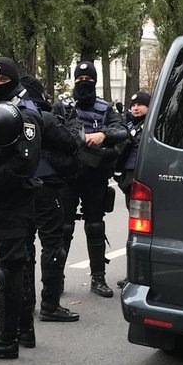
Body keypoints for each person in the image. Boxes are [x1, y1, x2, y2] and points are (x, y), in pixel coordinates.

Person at [0, 58, 44, 360]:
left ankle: (7, 338)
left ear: (13, 79)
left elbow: (23, 164)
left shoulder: (26, 113)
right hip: (1, 201)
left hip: (13, 200)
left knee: (9, 268)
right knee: (19, 264)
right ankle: (24, 330)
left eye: (3, 79)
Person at [53, 61, 127, 298]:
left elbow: (122, 130)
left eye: (88, 79)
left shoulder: (106, 108)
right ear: (74, 80)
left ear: (95, 81)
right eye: (80, 78)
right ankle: (56, 279)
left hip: (95, 177)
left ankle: (98, 278)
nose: (84, 82)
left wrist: (102, 135)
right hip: (67, 176)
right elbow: (50, 133)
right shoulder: (62, 107)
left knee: (95, 226)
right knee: (63, 228)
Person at [19, 76, 84, 327]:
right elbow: (71, 143)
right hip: (46, 186)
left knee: (25, 248)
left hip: (21, 187)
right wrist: (73, 124)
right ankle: (50, 304)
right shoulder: (42, 117)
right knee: (52, 244)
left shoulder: (10, 114)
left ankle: (27, 302)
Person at [114, 90, 150, 289]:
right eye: (133, 105)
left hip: (143, 181)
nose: (135, 108)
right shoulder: (130, 126)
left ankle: (140, 274)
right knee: (136, 229)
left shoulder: (151, 127)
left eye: (140, 105)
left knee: (141, 230)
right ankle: (136, 273)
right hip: (130, 182)